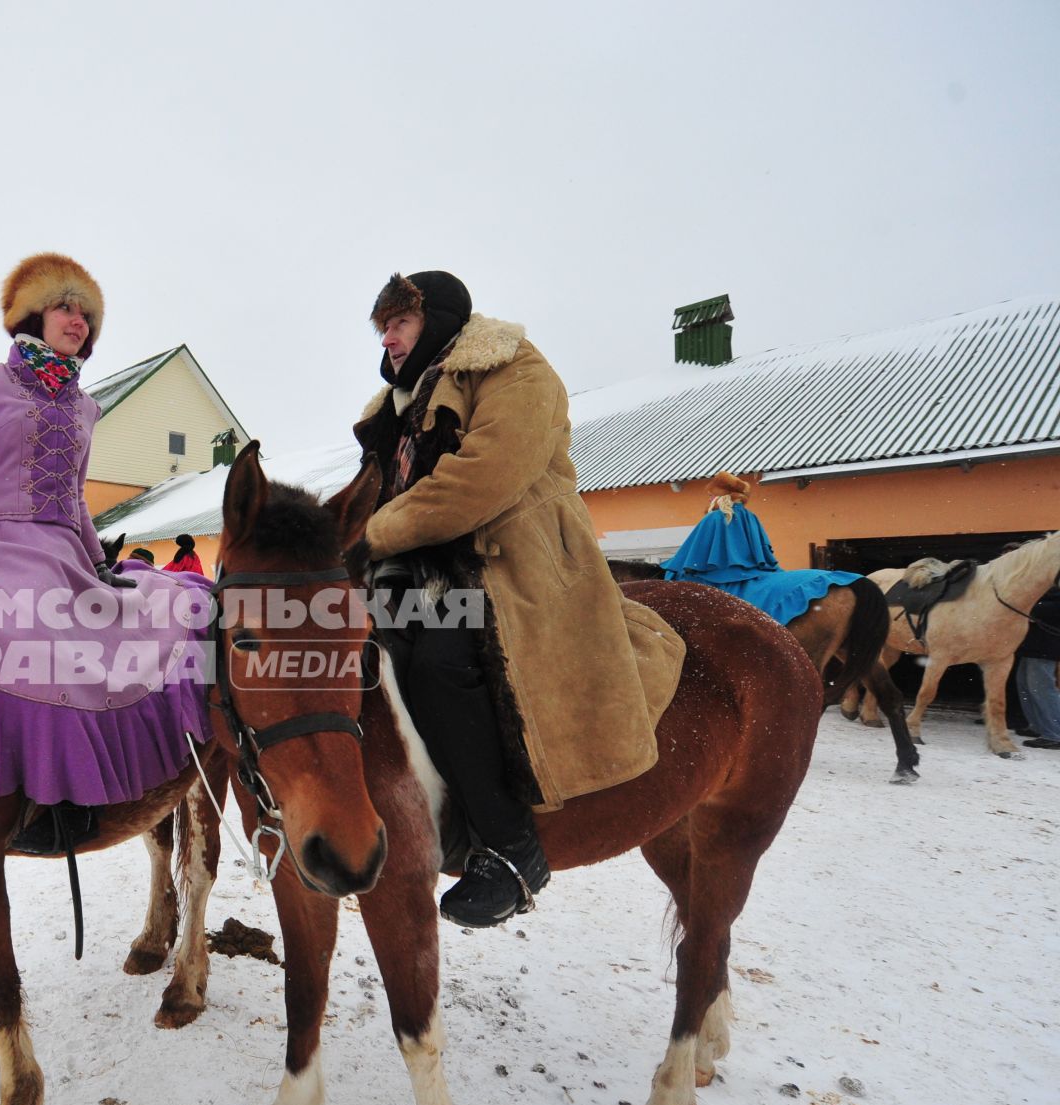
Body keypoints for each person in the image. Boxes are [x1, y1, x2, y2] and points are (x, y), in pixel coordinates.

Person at [354, 271, 681, 927]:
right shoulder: (402, 404)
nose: (388, 338)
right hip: (425, 566)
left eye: (400, 322)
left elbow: (484, 478)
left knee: (443, 665)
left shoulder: (513, 369)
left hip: (518, 562)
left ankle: (511, 846)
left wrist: (375, 534)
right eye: (381, 326)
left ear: (438, 318)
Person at [0, 254, 211, 855]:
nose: (78, 321)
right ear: (32, 315)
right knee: (35, 626)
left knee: (119, 630)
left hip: (63, 550)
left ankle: (73, 796)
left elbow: (75, 498)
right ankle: (12, 792)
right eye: (66, 307)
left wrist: (98, 564)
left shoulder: (86, 407)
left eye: (87, 314)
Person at [660, 474, 858, 622]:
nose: (709, 500)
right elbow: (761, 553)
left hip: (720, 577)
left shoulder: (714, 518)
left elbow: (691, 559)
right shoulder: (750, 516)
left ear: (720, 497)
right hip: (754, 573)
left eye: (711, 496)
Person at [1012, 587, 1060, 748]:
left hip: (1045, 646)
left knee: (1042, 688)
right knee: (1025, 685)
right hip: (1034, 645)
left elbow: (1050, 609)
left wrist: (1031, 608)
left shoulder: (1052, 594)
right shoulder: (1048, 589)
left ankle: (1054, 733)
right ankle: (1038, 726)